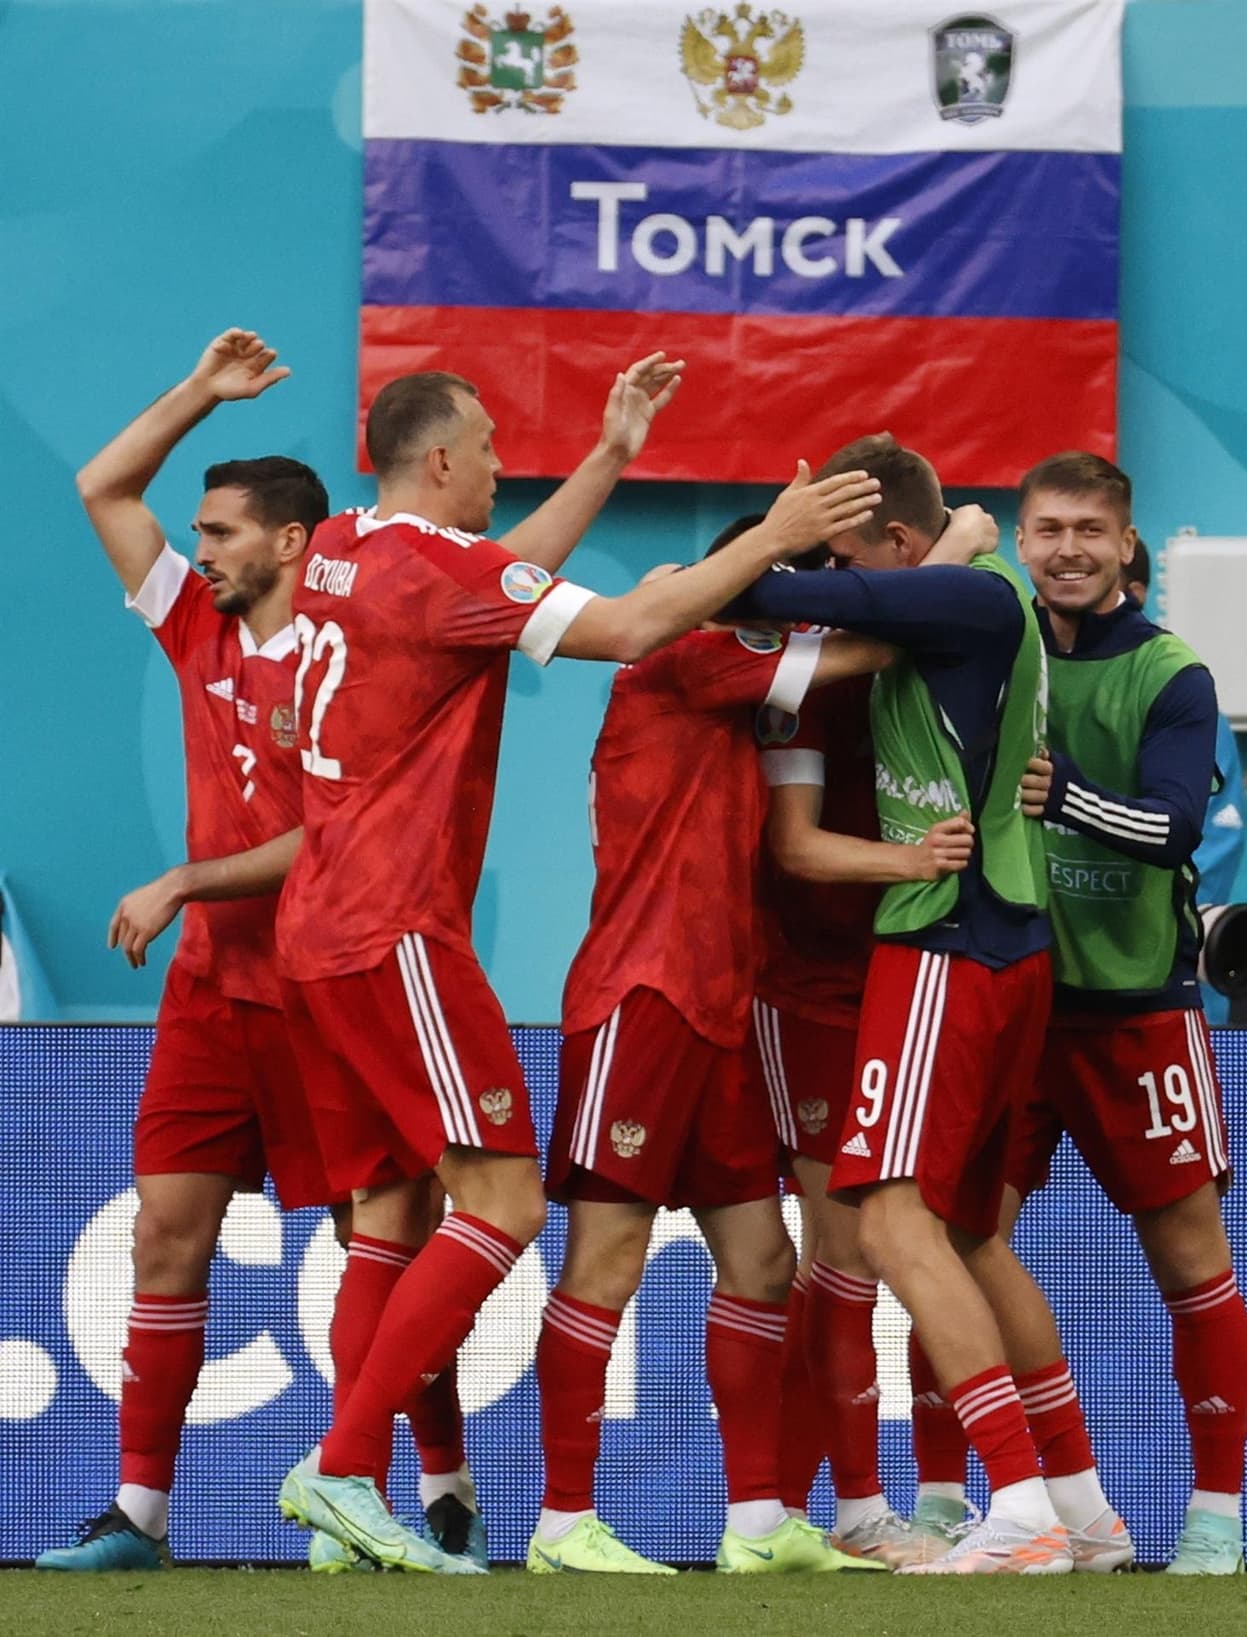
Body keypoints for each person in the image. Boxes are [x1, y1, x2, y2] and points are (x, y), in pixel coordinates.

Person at [273, 367, 883, 1573]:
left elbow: (498, 576)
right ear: (440, 461)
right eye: (492, 448)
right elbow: (622, 624)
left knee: (413, 1215)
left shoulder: (349, 545)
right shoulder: (501, 592)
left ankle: (750, 1517)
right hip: (395, 927)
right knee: (501, 1205)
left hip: (338, 926)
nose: (505, 469)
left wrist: (607, 456)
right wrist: (778, 532)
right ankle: (360, 1468)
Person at [729, 432, 1123, 1576]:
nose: (832, 580)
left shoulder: (955, 592)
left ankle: (1015, 1506)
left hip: (943, 942)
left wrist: (790, 539)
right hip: (1005, 942)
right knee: (965, 1234)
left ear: (896, 544)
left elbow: (747, 587)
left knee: (891, 1223)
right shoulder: (974, 595)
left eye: (844, 554)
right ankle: (1084, 1507)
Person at [529, 520, 900, 1577]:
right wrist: (957, 565)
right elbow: (862, 650)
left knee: (762, 1260)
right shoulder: (683, 654)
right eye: (797, 585)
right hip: (637, 1003)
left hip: (719, 1015)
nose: (817, 608)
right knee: (606, 1261)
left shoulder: (739, 698)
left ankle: (756, 1523)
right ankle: (561, 1523)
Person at [37, 330, 337, 1572]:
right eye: (198, 531)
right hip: (214, 998)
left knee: (384, 1247)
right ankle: (141, 1517)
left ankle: (435, 1495)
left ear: (287, 542)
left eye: (219, 532)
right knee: (169, 1235)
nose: (197, 548)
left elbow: (334, 834)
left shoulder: (350, 657)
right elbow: (100, 485)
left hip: (329, 991)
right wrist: (201, 393)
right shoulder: (195, 631)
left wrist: (180, 878)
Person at [1011, 453, 1247, 1575]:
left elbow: (1168, 830)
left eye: (1086, 530)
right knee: (952, 1244)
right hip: (1008, 1003)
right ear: (1020, 537)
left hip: (1136, 1013)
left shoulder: (1172, 673)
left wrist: (1057, 792)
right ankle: (997, 1505)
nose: (1065, 548)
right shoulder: (993, 643)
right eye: (1046, 528)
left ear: (1123, 545)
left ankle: (1213, 1517)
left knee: (1188, 1262)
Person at [748, 511, 994, 1566]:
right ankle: (849, 1509)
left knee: (911, 1237)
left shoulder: (930, 664)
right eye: (828, 570)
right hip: (801, 991)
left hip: (909, 979)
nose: (844, 585)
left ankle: (861, 1504)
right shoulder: (793, 682)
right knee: (839, 1247)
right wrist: (916, 863)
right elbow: (794, 850)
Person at [1123, 539, 1247, 1024]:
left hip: (1176, 992)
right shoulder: (1040, 689)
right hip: (1069, 986)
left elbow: (1213, 845)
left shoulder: (1187, 698)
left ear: (1134, 593)